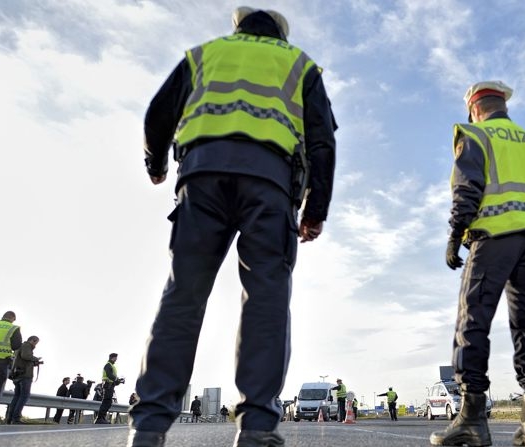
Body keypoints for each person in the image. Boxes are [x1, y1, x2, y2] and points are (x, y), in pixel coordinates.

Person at [127, 6, 336, 447]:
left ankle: (148, 427)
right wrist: (315, 209)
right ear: (279, 35)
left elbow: (157, 114)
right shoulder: (299, 65)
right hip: (270, 184)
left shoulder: (204, 54)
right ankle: (257, 427)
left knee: (183, 294)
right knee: (266, 300)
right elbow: (321, 142)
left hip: (201, 180)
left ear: (237, 28)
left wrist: (156, 163)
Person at [431, 81, 525, 447]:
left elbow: (467, 188)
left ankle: (472, 419)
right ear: (503, 105)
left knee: (471, 322)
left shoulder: (474, 134)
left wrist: (456, 235)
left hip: (492, 240)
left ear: (474, 108)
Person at [6, 335, 41, 425]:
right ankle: (16, 418)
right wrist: (35, 359)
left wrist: (34, 363)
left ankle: (10, 418)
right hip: (24, 375)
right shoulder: (26, 346)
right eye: (36, 343)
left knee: (17, 396)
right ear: (33, 340)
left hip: (17, 374)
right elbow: (26, 356)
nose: (36, 345)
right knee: (24, 396)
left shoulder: (19, 347)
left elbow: (22, 360)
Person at [95, 353, 124, 424]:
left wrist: (119, 381)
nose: (116, 360)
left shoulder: (111, 365)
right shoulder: (108, 365)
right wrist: (117, 379)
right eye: (115, 358)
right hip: (107, 386)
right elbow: (109, 375)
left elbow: (112, 378)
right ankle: (100, 418)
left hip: (110, 386)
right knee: (106, 401)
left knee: (108, 402)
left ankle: (102, 418)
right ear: (112, 358)